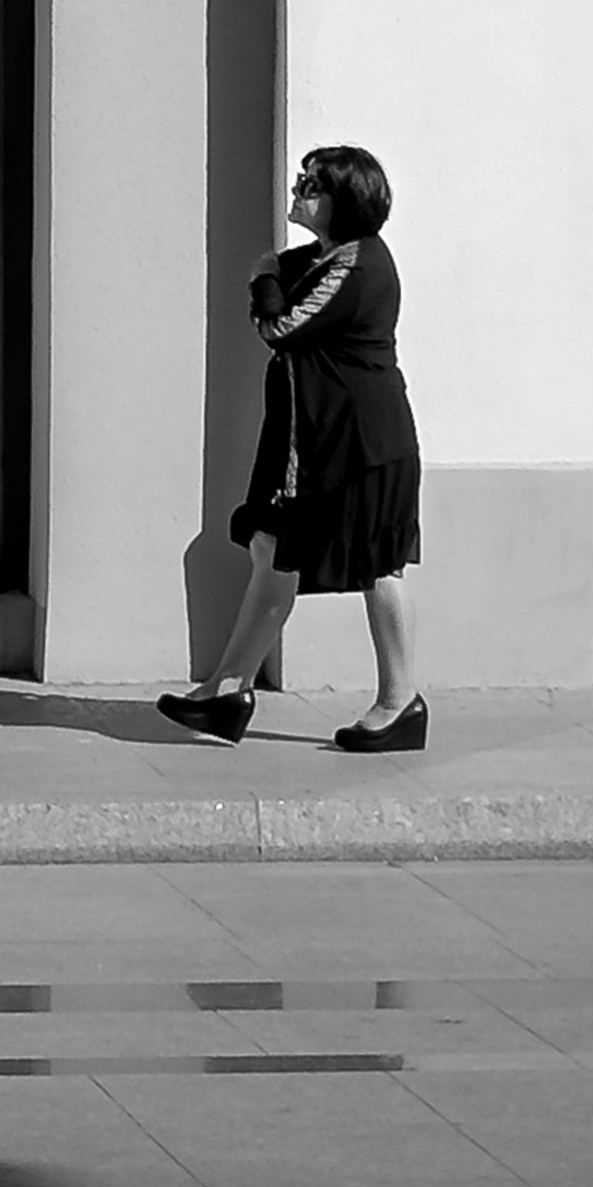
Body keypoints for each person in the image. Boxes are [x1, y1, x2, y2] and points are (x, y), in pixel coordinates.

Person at [158, 142, 425, 751]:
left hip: (363, 446)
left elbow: (281, 327)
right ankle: (228, 691)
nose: (299, 190)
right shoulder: (328, 256)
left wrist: (262, 282)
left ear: (345, 200)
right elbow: (284, 265)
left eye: (313, 184)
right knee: (273, 550)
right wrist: (272, 270)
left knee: (377, 564)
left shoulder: (357, 268)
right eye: (302, 178)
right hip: (313, 448)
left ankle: (400, 701)